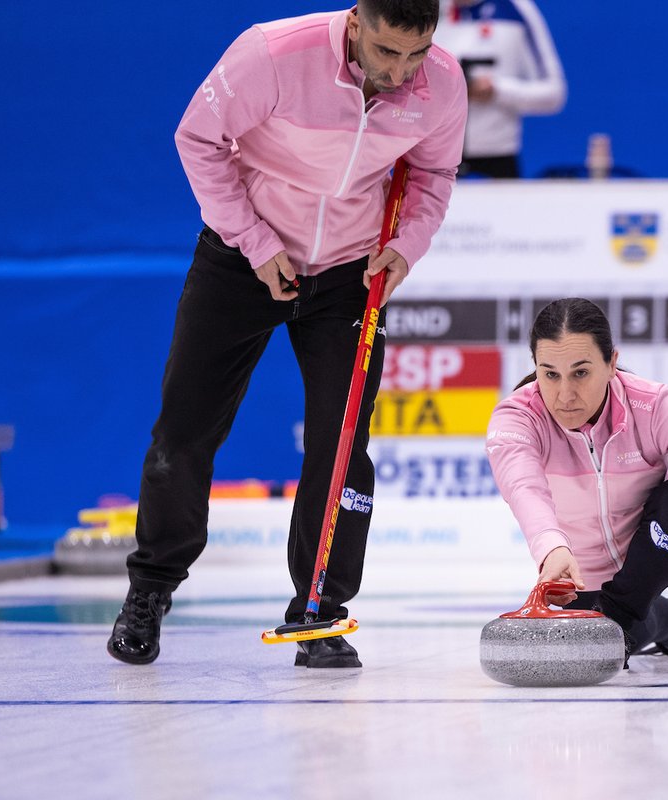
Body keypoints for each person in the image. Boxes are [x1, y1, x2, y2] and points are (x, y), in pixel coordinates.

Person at [107, 0, 467, 669]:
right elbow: (198, 139)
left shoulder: (442, 82)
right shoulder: (272, 53)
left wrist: (406, 247)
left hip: (349, 275)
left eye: (417, 54)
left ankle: (319, 611)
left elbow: (433, 175)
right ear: (357, 22)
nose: (402, 72)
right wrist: (253, 241)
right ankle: (150, 591)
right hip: (243, 259)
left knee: (342, 447)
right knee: (185, 432)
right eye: (389, 52)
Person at [485, 299, 668, 665]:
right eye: (550, 374)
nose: (565, 395)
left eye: (581, 372)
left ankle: (623, 611)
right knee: (630, 623)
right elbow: (525, 490)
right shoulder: (517, 418)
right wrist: (551, 549)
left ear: (611, 363)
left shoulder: (656, 408)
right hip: (587, 576)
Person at [433, 0, 566, 178]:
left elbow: (554, 93)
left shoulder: (514, 9)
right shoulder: (425, 8)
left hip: (497, 159)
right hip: (432, 157)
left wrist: (496, 90)